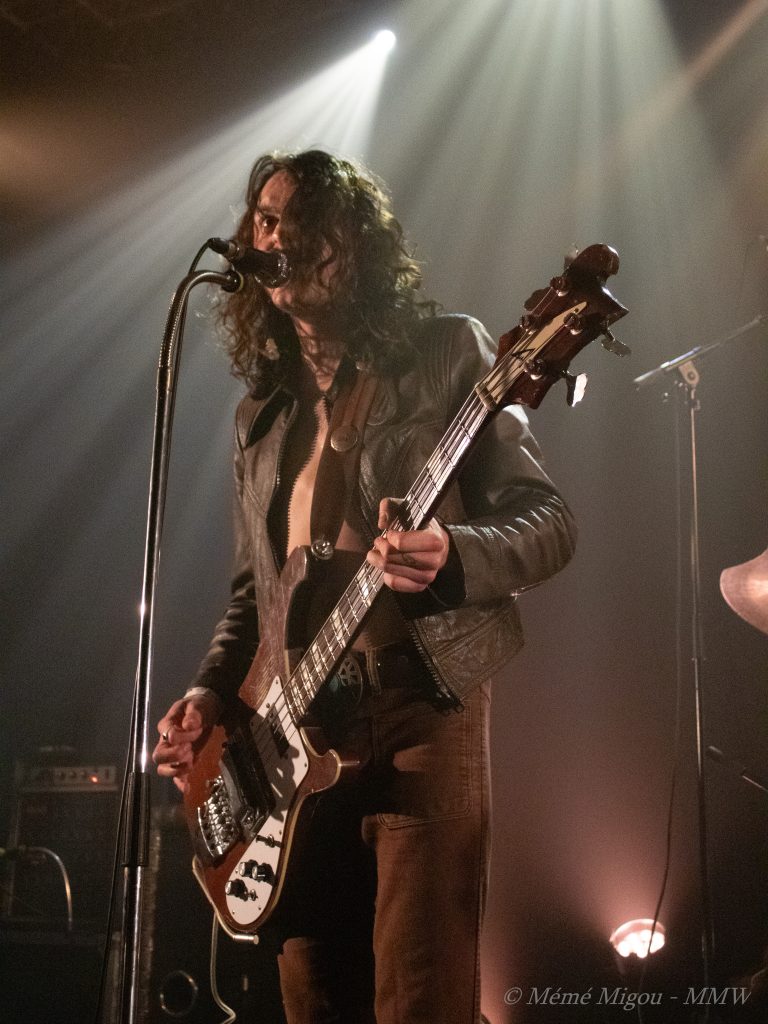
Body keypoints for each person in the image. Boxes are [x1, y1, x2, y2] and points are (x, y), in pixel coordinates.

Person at [152, 149, 577, 1023]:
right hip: (294, 734)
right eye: (266, 219)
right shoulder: (260, 415)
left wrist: (452, 553)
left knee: (420, 996)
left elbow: (549, 523)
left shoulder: (447, 351)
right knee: (312, 995)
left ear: (354, 247)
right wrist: (207, 694)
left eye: (304, 221)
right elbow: (253, 597)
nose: (278, 236)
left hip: (418, 713)